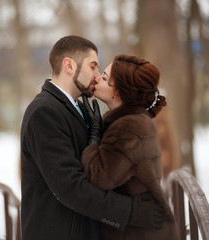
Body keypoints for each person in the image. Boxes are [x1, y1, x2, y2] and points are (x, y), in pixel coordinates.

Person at [20, 36, 165, 240]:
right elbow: (69, 187)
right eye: (93, 66)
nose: (97, 75)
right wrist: (130, 211)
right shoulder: (44, 112)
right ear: (69, 65)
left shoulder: (75, 107)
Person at [81, 54, 179, 240]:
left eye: (103, 77)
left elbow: (99, 177)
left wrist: (93, 135)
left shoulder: (129, 127)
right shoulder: (131, 121)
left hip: (141, 233)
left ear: (117, 92)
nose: (96, 78)